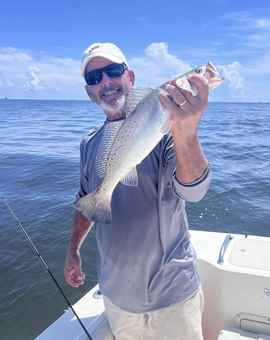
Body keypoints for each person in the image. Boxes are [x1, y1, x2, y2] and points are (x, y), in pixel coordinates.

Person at [64, 42, 212, 340]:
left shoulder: (170, 128)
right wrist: (72, 251)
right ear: (90, 93)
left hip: (172, 293)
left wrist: (186, 131)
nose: (105, 81)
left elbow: (194, 191)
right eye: (94, 78)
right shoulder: (88, 143)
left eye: (113, 71)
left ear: (129, 78)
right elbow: (87, 202)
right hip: (117, 294)